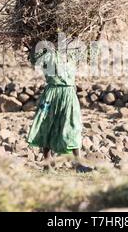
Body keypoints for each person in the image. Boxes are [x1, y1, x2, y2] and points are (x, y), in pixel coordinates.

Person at [27, 31, 101, 173]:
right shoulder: (46, 54)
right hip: (52, 94)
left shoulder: (72, 55)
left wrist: (98, 34)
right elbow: (33, 59)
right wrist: (34, 40)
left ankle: (78, 164)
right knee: (47, 125)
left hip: (69, 94)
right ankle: (47, 164)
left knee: (73, 125)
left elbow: (91, 55)